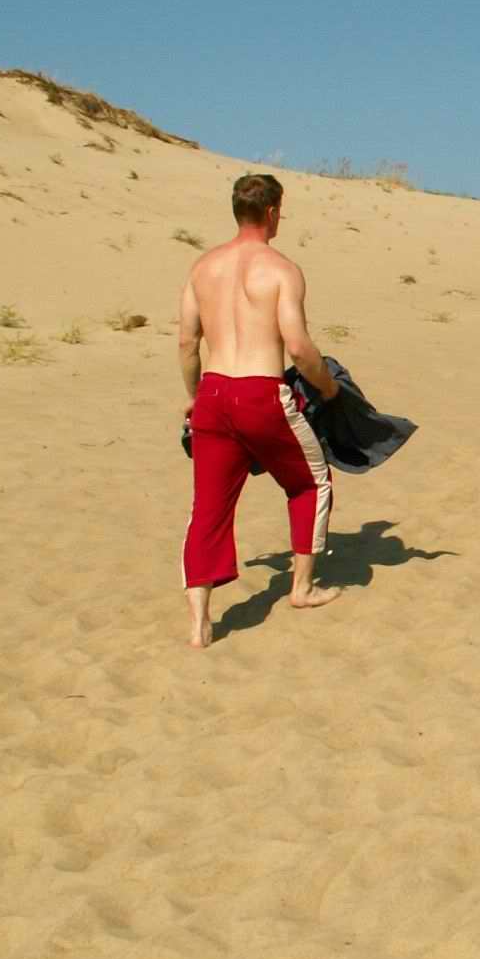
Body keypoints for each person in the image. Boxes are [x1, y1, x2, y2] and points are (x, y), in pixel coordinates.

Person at [178, 173, 342, 649]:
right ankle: (302, 588)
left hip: (213, 393)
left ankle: (199, 622)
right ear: (272, 212)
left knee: (209, 507)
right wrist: (329, 387)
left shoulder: (203, 266)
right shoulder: (282, 270)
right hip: (261, 393)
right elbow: (299, 348)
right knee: (311, 482)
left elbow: (188, 341)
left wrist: (193, 395)